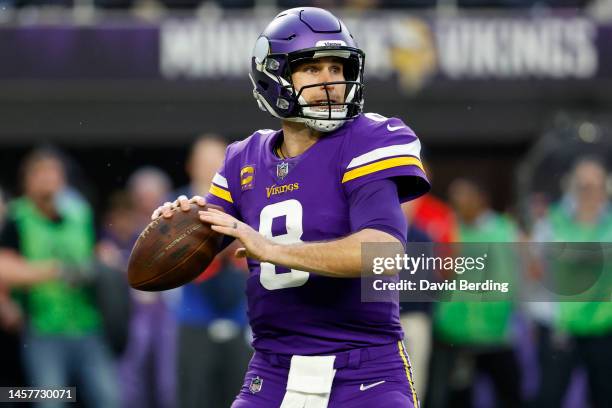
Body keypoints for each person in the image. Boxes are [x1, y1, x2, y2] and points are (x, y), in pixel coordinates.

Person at [153, 7, 430, 408]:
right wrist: (177, 227)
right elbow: (200, 246)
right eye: (313, 70)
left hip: (365, 371)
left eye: (337, 68)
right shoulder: (242, 159)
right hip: (272, 371)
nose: (330, 82)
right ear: (274, 75)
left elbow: (383, 253)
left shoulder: (369, 139)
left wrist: (276, 251)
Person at [0, 148, 118, 408]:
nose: (47, 180)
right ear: (27, 180)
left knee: (109, 397)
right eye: (40, 173)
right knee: (50, 400)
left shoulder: (80, 213)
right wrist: (56, 271)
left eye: (52, 173)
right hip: (43, 327)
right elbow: (4, 268)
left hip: (87, 323)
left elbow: (100, 253)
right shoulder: (17, 217)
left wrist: (106, 265)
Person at [426, 178, 521, 408]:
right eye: (454, 197)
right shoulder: (445, 228)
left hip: (495, 332)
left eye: (463, 196)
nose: (457, 202)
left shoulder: (504, 230)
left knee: (509, 394)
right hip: (454, 332)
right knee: (454, 396)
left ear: (481, 199)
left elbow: (516, 277)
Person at [174, 135, 251, 408]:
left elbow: (257, 259)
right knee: (195, 396)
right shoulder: (176, 207)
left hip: (241, 317)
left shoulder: (245, 203)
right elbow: (172, 266)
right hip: (195, 318)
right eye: (205, 162)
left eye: (218, 162)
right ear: (191, 166)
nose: (211, 169)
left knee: (241, 397)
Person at [530, 158, 612, 408]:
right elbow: (534, 272)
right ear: (571, 187)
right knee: (550, 396)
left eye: (594, 185)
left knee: (604, 396)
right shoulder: (550, 223)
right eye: (582, 185)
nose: (588, 192)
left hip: (604, 328)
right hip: (559, 327)